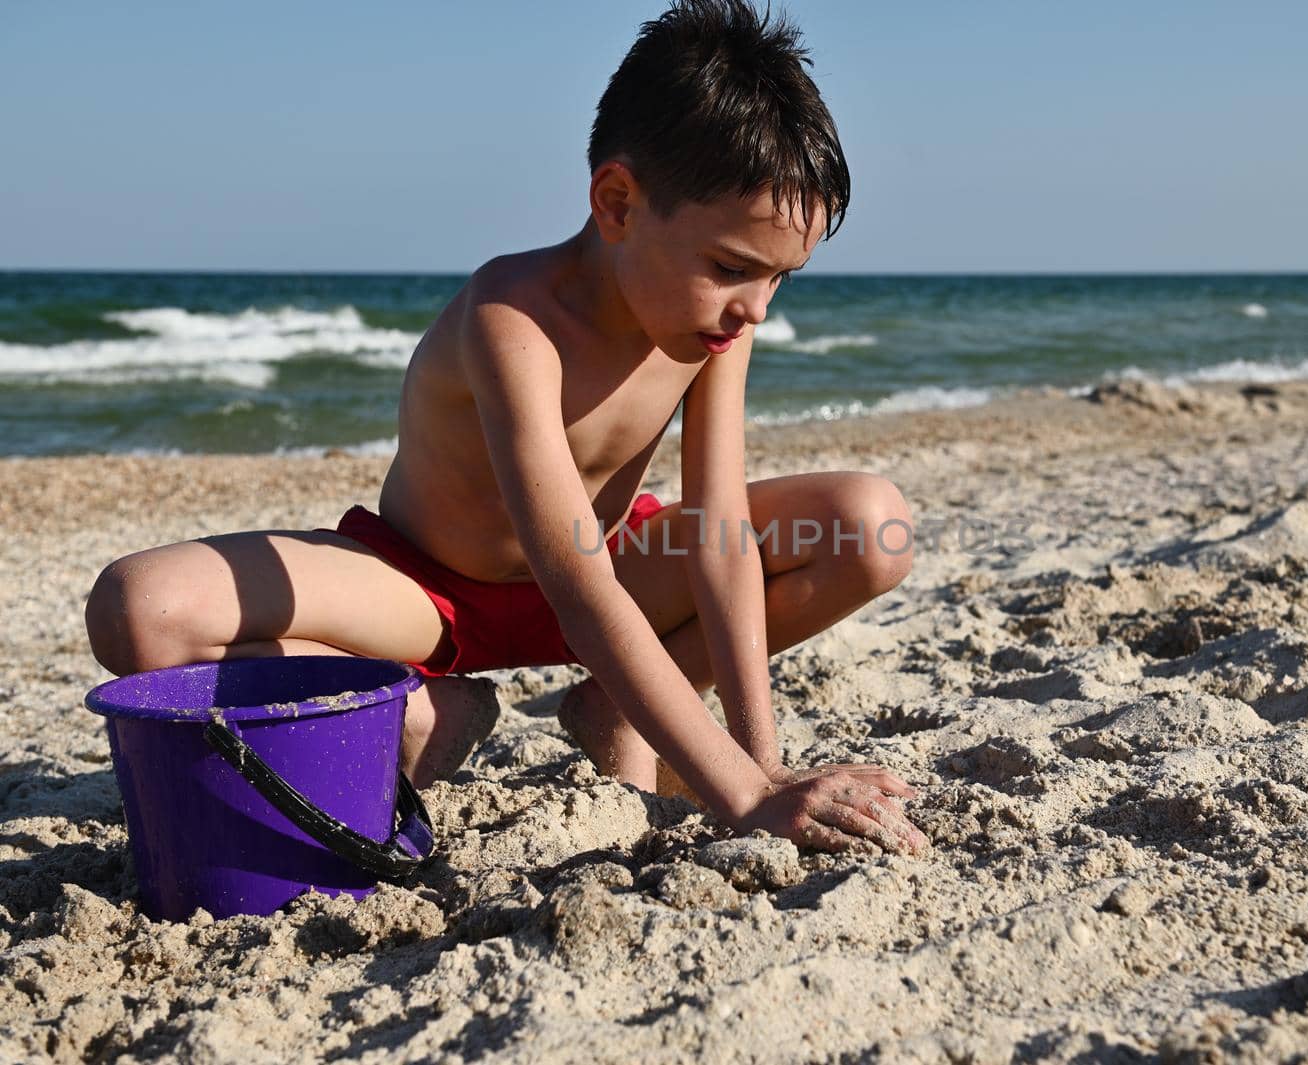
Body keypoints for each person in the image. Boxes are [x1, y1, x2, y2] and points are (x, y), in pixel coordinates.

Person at [84, 0, 928, 858]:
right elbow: (575, 586)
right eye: (732, 268)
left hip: (612, 566)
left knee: (869, 526)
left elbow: (717, 538)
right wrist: (744, 797)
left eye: (782, 280)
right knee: (140, 608)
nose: (755, 308)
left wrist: (763, 768)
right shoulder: (511, 319)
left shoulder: (720, 325)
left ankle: (617, 704)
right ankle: (422, 706)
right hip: (425, 593)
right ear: (617, 201)